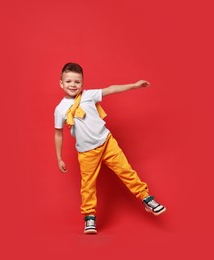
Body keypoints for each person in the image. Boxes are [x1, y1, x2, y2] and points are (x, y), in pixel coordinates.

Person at [54, 62, 166, 234]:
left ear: (82, 84)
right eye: (68, 81)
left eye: (77, 82)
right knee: (88, 185)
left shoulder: (89, 95)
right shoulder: (60, 109)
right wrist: (59, 158)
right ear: (61, 83)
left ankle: (146, 198)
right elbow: (58, 134)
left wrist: (134, 86)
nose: (72, 85)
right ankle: (89, 217)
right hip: (86, 153)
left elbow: (111, 89)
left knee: (126, 171)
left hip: (107, 143)